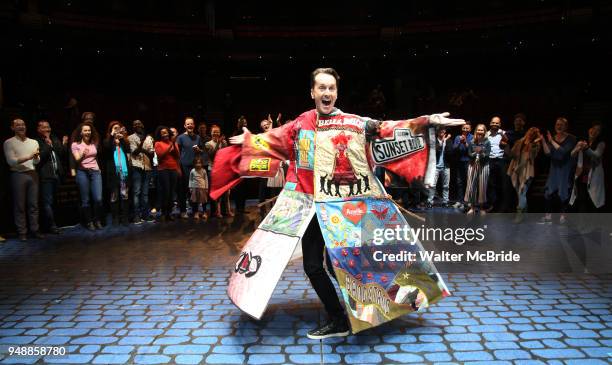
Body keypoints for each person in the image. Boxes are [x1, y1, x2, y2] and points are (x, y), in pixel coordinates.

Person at [217, 68, 461, 339]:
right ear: (312, 92)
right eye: (321, 88)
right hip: (307, 208)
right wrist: (250, 142)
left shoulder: (352, 122)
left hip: (340, 211)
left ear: (337, 92)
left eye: (331, 88)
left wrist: (427, 121)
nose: (327, 93)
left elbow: (385, 128)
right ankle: (340, 318)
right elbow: (276, 139)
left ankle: (365, 307)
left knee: (340, 265)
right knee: (313, 266)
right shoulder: (301, 123)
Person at [3, 118, 43, 241]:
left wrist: (35, 157)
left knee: (33, 205)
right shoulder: (9, 142)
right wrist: (29, 156)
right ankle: (22, 232)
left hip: (32, 173)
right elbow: (11, 161)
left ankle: (35, 230)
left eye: (23, 124)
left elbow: (36, 161)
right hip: (18, 175)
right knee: (19, 205)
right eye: (18, 125)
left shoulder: (33, 142)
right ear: (12, 128)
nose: (21, 126)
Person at [539, 117, 577, 224]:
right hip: (554, 168)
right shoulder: (553, 138)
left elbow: (563, 152)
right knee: (548, 192)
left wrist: (551, 141)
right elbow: (548, 153)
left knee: (563, 192)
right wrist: (543, 141)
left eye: (561, 125)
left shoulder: (571, 138)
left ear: (566, 126)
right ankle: (548, 216)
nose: (559, 126)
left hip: (565, 168)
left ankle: (563, 216)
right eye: (557, 124)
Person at [35, 120, 68, 234]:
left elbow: (61, 153)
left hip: (56, 175)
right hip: (46, 176)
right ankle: (51, 226)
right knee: (47, 202)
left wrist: (64, 144)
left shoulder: (53, 138)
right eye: (43, 127)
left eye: (48, 127)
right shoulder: (36, 142)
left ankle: (54, 224)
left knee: (53, 201)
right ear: (38, 129)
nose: (47, 129)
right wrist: (48, 146)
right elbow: (39, 159)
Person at [71, 122, 104, 230]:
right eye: (85, 130)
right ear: (81, 132)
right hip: (82, 172)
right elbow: (76, 159)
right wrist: (82, 154)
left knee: (98, 199)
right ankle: (89, 222)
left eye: (89, 130)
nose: (87, 132)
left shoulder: (94, 143)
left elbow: (96, 156)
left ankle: (97, 219)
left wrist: (98, 168)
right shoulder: (75, 145)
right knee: (85, 200)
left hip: (95, 172)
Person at [507, 127, 541, 221]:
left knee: (522, 192)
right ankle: (525, 214)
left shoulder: (536, 144)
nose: (531, 134)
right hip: (516, 169)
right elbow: (511, 154)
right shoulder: (519, 142)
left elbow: (533, 154)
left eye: (534, 133)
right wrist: (506, 146)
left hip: (527, 170)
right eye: (530, 132)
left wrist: (533, 143)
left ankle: (519, 214)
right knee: (520, 193)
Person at [570, 121, 605, 212]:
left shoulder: (601, 144)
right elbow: (572, 154)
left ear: (600, 133)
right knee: (582, 199)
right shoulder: (582, 142)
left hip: (594, 175)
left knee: (593, 200)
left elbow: (596, 155)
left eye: (598, 130)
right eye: (593, 129)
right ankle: (582, 225)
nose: (594, 131)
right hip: (582, 174)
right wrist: (577, 148)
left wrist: (586, 148)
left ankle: (594, 224)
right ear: (589, 129)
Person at [104, 121, 131, 226]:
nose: (116, 130)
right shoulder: (107, 141)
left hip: (123, 172)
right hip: (113, 172)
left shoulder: (124, 141)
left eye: (118, 128)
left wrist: (122, 139)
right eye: (114, 128)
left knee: (125, 195)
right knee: (114, 196)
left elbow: (128, 153)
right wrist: (112, 137)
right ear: (110, 130)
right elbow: (106, 149)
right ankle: (115, 218)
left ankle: (125, 218)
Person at [128, 120, 155, 223]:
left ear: (142, 125)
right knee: (136, 192)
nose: (137, 125)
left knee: (145, 193)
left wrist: (144, 149)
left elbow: (152, 154)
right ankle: (136, 215)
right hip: (136, 167)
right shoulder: (130, 138)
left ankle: (146, 215)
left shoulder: (148, 138)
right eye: (135, 124)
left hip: (147, 167)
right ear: (133, 127)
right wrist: (143, 146)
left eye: (139, 123)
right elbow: (134, 152)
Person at [176, 117, 202, 219]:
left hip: (195, 167)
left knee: (194, 190)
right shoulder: (180, 138)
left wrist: (198, 150)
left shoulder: (198, 138)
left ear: (194, 125)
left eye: (191, 124)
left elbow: (201, 153)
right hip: (184, 166)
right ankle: (183, 211)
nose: (190, 126)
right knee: (184, 190)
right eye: (188, 124)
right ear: (184, 126)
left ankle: (195, 211)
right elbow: (177, 154)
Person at [154, 126, 180, 222]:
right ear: (160, 135)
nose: (165, 134)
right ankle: (164, 213)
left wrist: (173, 144)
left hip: (173, 169)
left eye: (166, 132)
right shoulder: (158, 143)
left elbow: (177, 156)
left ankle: (169, 213)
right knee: (166, 191)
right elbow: (160, 156)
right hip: (163, 169)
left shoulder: (174, 143)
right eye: (162, 133)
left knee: (172, 192)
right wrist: (171, 145)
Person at [465, 124, 491, 215]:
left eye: (482, 130)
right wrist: (475, 152)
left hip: (483, 166)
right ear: (476, 131)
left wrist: (481, 153)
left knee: (482, 187)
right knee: (471, 186)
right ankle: (472, 207)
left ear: (484, 132)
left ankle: (481, 208)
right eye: (478, 130)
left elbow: (487, 156)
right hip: (472, 165)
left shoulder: (487, 142)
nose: (480, 132)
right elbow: (468, 154)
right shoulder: (472, 142)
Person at [205, 125, 231, 218]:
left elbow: (226, 154)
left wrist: (223, 143)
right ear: (211, 133)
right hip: (213, 169)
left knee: (225, 192)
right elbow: (212, 155)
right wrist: (218, 143)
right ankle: (215, 212)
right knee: (216, 192)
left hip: (223, 170)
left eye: (217, 132)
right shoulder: (208, 144)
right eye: (214, 131)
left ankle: (226, 211)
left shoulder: (223, 142)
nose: (216, 133)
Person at [486, 116, 509, 212]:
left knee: (503, 183)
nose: (495, 124)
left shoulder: (503, 133)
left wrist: (503, 135)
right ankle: (492, 205)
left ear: (500, 124)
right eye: (493, 122)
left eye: (497, 123)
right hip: (490, 160)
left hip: (501, 160)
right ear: (490, 123)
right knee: (491, 183)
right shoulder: (487, 134)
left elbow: (508, 142)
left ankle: (503, 206)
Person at [427, 126, 453, 208]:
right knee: (432, 185)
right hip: (435, 166)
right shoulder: (433, 141)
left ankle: (445, 201)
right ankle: (430, 201)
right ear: (437, 131)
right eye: (439, 130)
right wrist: (442, 142)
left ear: (445, 131)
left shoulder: (449, 141)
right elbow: (436, 150)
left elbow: (450, 152)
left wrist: (445, 141)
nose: (441, 131)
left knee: (446, 186)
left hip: (446, 166)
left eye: (443, 130)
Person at [452, 123, 473, 209]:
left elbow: (471, 149)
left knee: (469, 182)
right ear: (462, 128)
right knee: (459, 182)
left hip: (468, 162)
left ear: (470, 129)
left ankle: (468, 201)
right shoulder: (457, 137)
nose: (465, 129)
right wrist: (459, 143)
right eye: (464, 128)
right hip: (460, 162)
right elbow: (454, 149)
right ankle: (459, 201)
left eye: (467, 128)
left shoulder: (472, 137)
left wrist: (465, 143)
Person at [189, 156, 209, 220]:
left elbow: (206, 179)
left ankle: (204, 212)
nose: (198, 164)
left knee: (203, 201)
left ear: (202, 164)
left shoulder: (204, 171)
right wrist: (190, 187)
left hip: (202, 188)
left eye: (199, 163)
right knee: (195, 201)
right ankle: (196, 213)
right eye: (196, 163)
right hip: (194, 188)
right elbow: (190, 179)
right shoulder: (192, 171)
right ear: (194, 164)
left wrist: (206, 188)